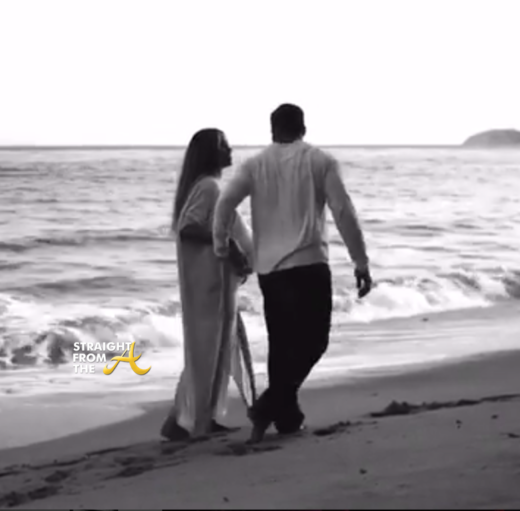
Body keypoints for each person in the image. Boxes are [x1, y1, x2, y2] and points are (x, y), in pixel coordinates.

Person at [212, 104, 372, 443]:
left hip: (270, 270)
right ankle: (270, 406)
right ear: (303, 128)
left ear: (273, 130)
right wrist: (360, 262)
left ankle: (287, 418)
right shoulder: (320, 161)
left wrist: (222, 247)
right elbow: (343, 211)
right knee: (315, 342)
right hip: (310, 265)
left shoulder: (254, 165)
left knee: (282, 345)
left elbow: (224, 204)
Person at [160, 128, 257, 441]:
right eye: (223, 145)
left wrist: (237, 255)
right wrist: (230, 245)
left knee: (211, 350)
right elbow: (189, 228)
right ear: (210, 153)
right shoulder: (208, 188)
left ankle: (184, 419)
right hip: (209, 286)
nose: (230, 150)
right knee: (209, 350)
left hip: (215, 283)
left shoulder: (208, 186)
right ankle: (199, 422)